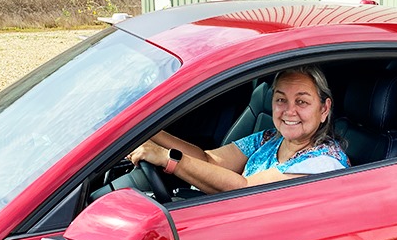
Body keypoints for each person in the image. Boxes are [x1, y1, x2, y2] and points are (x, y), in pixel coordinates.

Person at [129, 66, 349, 195]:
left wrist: (168, 159)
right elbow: (209, 160)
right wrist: (151, 132)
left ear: (323, 109)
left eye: (301, 102)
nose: (289, 111)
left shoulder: (323, 162)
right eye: (281, 99)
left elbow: (244, 188)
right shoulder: (270, 138)